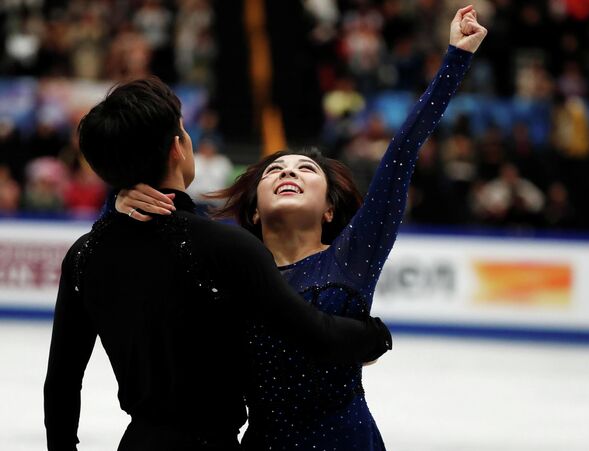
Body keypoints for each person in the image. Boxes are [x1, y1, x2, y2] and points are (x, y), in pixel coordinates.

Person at [116, 6, 487, 450]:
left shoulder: (353, 254)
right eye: (274, 170)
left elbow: (404, 147)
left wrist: (456, 58)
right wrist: (120, 200)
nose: (288, 172)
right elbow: (144, 232)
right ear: (253, 209)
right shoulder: (223, 262)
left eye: (306, 168)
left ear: (329, 209)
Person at [43, 78, 394, 451]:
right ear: (177, 148)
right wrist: (375, 335)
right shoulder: (223, 247)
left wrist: (115, 199)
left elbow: (62, 383)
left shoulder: (84, 254)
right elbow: (315, 335)